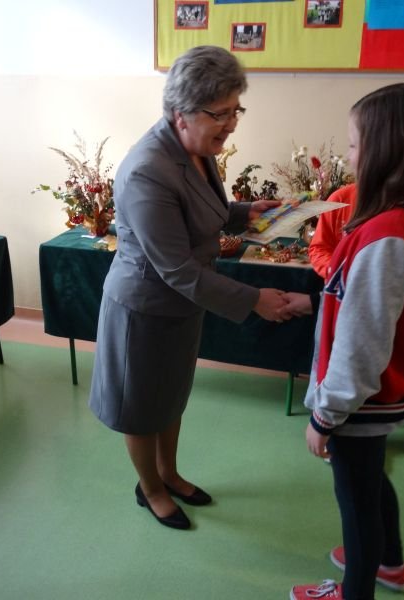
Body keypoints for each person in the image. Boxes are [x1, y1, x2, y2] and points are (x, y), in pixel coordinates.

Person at [88, 46, 287, 531]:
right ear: (182, 114)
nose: (231, 124)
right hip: (145, 308)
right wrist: (254, 301)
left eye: (236, 110)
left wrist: (245, 212)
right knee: (141, 408)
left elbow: (197, 212)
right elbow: (176, 268)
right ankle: (151, 489)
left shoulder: (196, 148)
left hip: (182, 306)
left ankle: (170, 474)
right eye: (221, 114)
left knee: (171, 397)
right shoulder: (147, 170)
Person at [288, 83, 404, 600]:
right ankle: (390, 562)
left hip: (361, 399)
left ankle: (355, 588)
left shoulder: (388, 235)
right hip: (375, 393)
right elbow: (369, 307)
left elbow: (363, 342)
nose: (350, 156)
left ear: (385, 149)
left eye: (355, 144)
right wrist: (313, 303)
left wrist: (325, 415)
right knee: (370, 480)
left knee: (356, 503)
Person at [308, 183, 357, 280]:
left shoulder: (390, 204)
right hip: (341, 284)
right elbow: (319, 248)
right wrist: (337, 270)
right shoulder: (339, 199)